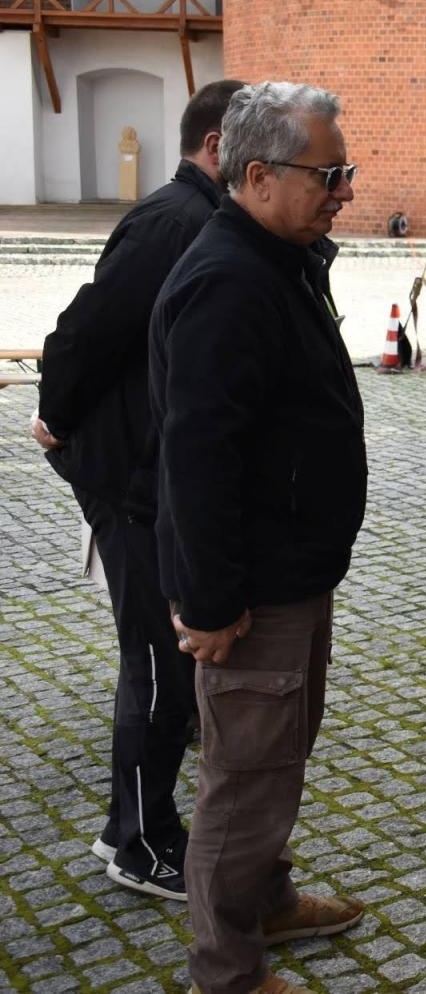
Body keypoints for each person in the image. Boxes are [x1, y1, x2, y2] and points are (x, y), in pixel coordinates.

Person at [149, 82, 367, 994]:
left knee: (276, 757)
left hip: (293, 571)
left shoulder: (278, 257)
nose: (345, 191)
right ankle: (226, 972)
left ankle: (266, 900)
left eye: (345, 171)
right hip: (254, 590)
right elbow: (196, 459)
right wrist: (210, 602)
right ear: (256, 175)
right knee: (242, 784)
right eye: (329, 174)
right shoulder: (229, 279)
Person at [30, 78, 243, 902]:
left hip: (153, 477)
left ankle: (133, 824)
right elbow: (82, 332)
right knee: (156, 664)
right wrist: (57, 420)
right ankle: (143, 844)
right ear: (220, 146)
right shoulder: (173, 222)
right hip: (130, 479)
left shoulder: (202, 219)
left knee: (164, 663)